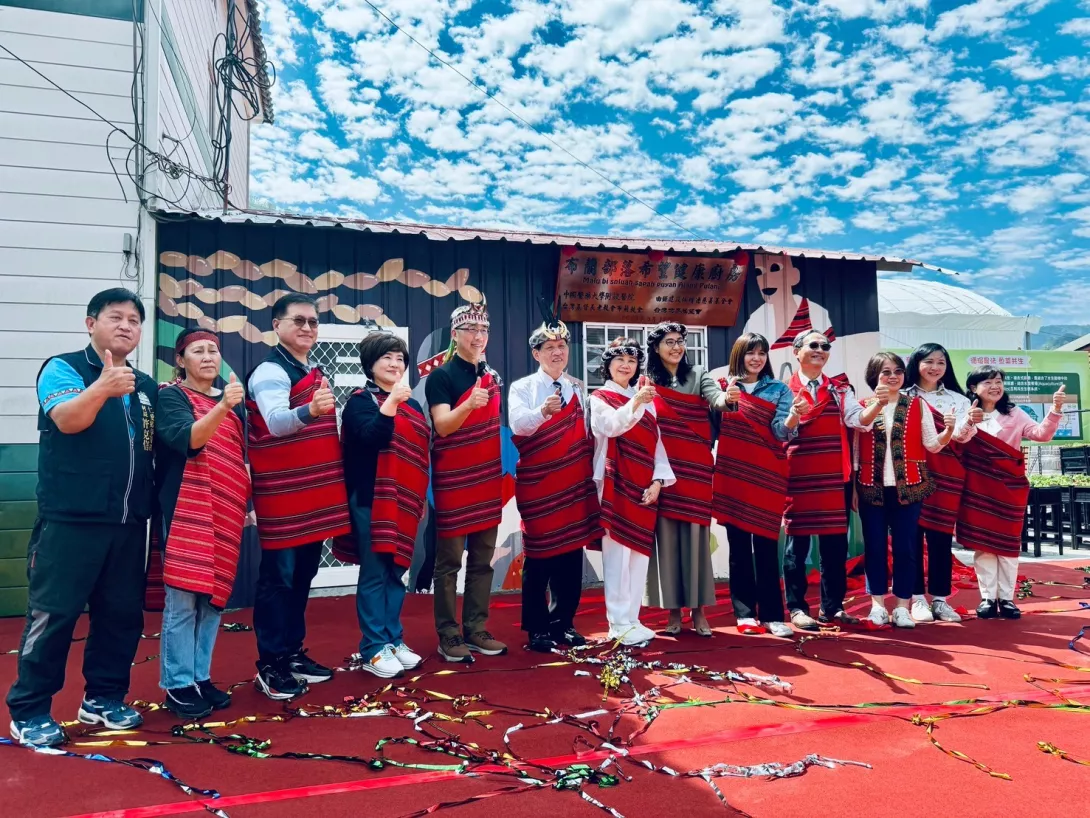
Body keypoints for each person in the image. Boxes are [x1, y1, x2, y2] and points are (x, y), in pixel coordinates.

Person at [7, 288, 156, 747]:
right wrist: (102, 387)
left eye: (134, 320)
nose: (126, 326)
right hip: (71, 522)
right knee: (53, 616)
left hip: (129, 523)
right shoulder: (64, 368)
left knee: (121, 616)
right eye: (116, 317)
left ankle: (103, 698)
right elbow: (68, 420)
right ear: (91, 323)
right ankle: (29, 710)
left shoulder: (145, 385)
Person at [246, 294, 351, 699]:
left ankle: (291, 652)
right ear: (277, 325)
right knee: (279, 579)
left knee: (303, 575)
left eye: (313, 321)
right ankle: (270, 663)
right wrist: (310, 411)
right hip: (284, 495)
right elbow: (275, 423)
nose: (307, 328)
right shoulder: (271, 371)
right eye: (299, 321)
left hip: (311, 495)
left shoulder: (310, 370)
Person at [154, 330, 249, 719]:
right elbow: (189, 441)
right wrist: (223, 406)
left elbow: (240, 458)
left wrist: (246, 503)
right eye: (198, 351)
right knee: (183, 601)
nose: (208, 357)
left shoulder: (233, 405)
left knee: (212, 601)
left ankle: (199, 675)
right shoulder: (171, 397)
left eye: (213, 350)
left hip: (225, 508)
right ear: (181, 360)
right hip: (185, 510)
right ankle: (177, 684)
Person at [335, 333, 429, 678]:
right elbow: (372, 437)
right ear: (370, 364)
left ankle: (393, 639)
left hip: (405, 501)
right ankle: (373, 647)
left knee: (396, 572)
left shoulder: (413, 405)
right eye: (387, 357)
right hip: (371, 499)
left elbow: (420, 452)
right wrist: (390, 404)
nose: (395, 364)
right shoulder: (360, 401)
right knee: (375, 571)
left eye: (400, 358)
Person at [509, 318, 602, 653]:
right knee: (539, 557)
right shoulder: (522, 388)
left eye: (562, 346)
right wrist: (542, 412)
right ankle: (538, 628)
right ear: (536, 354)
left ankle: (564, 623)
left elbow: (587, 430)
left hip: (574, 479)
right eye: (549, 347)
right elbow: (517, 425)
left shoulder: (577, 387)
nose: (557, 352)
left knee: (571, 556)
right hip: (539, 481)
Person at [425, 298, 507, 663]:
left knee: (482, 561)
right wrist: (469, 404)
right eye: (471, 329)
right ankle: (448, 633)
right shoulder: (441, 377)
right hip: (454, 480)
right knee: (449, 563)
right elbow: (443, 426)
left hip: (486, 477)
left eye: (484, 329)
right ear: (455, 334)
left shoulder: (492, 376)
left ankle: (476, 628)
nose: (478, 336)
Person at [782, 330, 882, 629]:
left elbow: (858, 420)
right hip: (797, 477)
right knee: (796, 548)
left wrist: (877, 405)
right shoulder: (782, 389)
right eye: (813, 345)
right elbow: (778, 431)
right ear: (796, 351)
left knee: (835, 548)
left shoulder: (840, 390)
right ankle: (797, 608)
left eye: (824, 346)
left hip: (835, 477)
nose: (820, 350)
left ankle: (832, 607)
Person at [714, 333, 803, 638]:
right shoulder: (723, 388)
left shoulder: (779, 389)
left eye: (762, 353)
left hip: (767, 475)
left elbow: (780, 433)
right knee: (738, 548)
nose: (756, 359)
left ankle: (773, 615)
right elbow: (710, 428)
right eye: (750, 353)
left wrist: (792, 418)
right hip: (733, 474)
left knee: (766, 546)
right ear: (738, 355)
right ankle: (745, 614)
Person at [644, 322, 730, 637]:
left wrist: (728, 398)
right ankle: (673, 612)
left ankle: (699, 611)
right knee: (667, 542)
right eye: (669, 342)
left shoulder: (699, 375)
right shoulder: (646, 381)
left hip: (695, 469)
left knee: (696, 541)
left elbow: (717, 399)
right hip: (663, 471)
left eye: (680, 341)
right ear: (656, 348)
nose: (676, 347)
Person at [855, 353, 953, 629]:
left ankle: (901, 606)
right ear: (874, 375)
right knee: (874, 547)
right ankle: (877, 605)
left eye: (898, 371)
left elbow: (932, 444)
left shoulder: (917, 405)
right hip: (870, 486)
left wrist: (949, 430)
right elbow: (855, 449)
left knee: (906, 548)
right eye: (886, 372)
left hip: (909, 486)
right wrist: (853, 489)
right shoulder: (862, 406)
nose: (893, 376)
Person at [590, 338, 675, 646]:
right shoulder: (599, 397)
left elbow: (657, 443)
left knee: (639, 554)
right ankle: (617, 622)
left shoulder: (645, 399)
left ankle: (633, 618)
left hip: (644, 483)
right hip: (615, 482)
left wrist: (658, 481)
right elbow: (611, 426)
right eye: (619, 359)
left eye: (632, 360)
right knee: (616, 555)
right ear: (608, 364)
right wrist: (636, 401)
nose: (626, 365)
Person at [962, 366, 1065, 619]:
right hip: (978, 485)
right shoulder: (966, 412)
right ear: (974, 387)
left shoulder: (1014, 413)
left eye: (998, 381)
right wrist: (968, 421)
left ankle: (1007, 599)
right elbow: (957, 441)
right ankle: (988, 598)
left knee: (1008, 544)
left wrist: (1055, 409)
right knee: (984, 544)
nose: (995, 386)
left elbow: (1041, 435)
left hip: (1010, 486)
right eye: (988, 382)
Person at [904, 343, 981, 623]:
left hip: (947, 474)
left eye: (941, 362)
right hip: (910, 472)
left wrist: (969, 422)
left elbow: (961, 437)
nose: (935, 367)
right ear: (916, 363)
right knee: (910, 539)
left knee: (940, 538)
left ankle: (939, 599)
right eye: (929, 361)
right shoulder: (903, 396)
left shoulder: (958, 400)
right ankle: (916, 599)